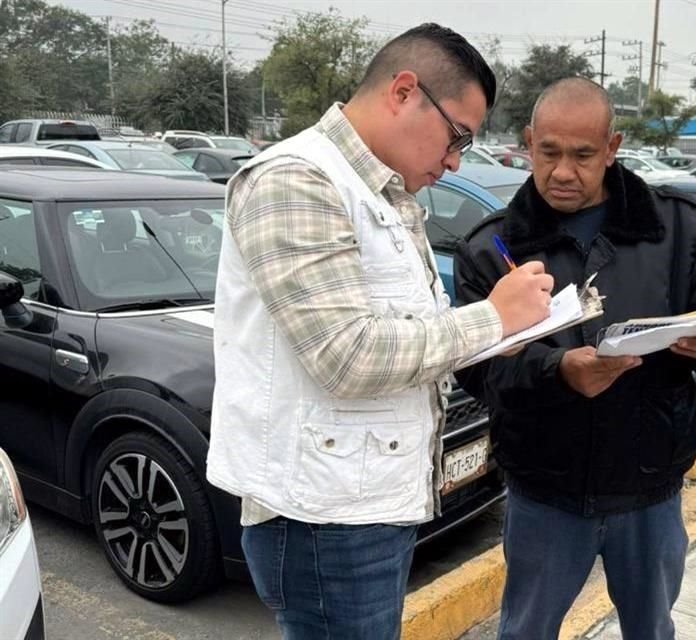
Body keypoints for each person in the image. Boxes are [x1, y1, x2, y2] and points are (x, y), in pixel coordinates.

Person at [205, 24, 555, 639]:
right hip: (322, 519)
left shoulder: (383, 193)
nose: (453, 162)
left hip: (366, 503)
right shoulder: (296, 180)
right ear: (403, 92)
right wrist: (492, 317)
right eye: (458, 137)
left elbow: (409, 335)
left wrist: (497, 334)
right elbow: (346, 355)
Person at [454, 78, 696, 640]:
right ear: (527, 141)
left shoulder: (682, 229)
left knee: (651, 628)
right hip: (544, 488)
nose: (563, 171)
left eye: (583, 155)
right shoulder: (493, 247)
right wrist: (557, 372)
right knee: (525, 631)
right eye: (549, 152)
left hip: (649, 486)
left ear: (612, 148)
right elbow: (474, 368)